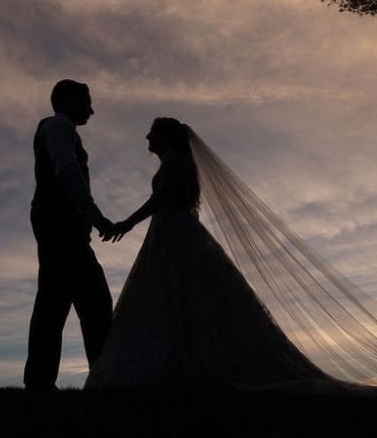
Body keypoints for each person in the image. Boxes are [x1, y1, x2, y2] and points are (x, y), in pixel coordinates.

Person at [84, 118, 332, 390]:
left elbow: (162, 199)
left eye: (153, 132)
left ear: (166, 136)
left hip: (174, 235)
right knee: (178, 300)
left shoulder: (175, 161)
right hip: (170, 234)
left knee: (180, 297)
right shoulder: (177, 162)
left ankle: (187, 364)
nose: (147, 137)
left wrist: (128, 223)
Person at [23, 80, 115, 392]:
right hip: (58, 224)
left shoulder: (63, 129)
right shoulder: (58, 126)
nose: (91, 109)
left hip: (68, 228)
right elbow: (66, 170)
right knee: (56, 300)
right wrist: (94, 215)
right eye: (86, 101)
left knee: (92, 301)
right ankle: (39, 381)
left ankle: (102, 376)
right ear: (69, 100)